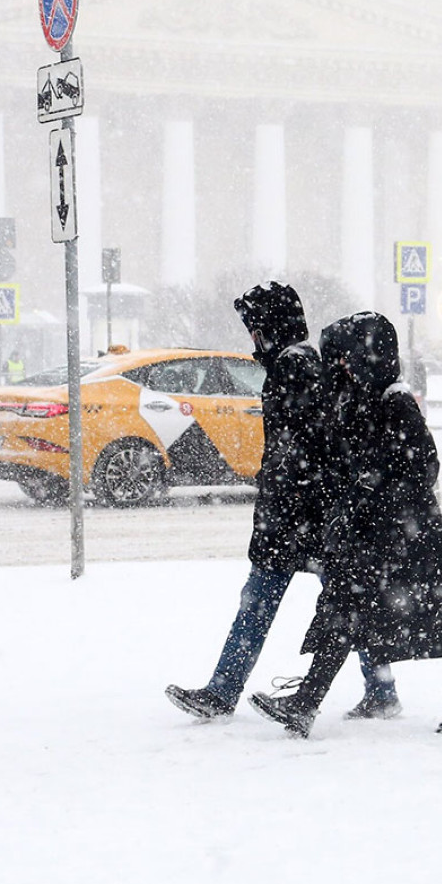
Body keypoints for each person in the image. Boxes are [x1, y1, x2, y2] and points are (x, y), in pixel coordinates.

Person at [250, 311, 442, 738]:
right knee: (343, 609)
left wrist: (377, 488)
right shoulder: (353, 398)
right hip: (370, 533)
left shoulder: (393, 399)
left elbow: (424, 465)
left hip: (410, 534)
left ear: (366, 356)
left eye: (343, 357)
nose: (336, 365)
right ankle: (307, 701)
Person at [166, 282, 399, 721]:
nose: (251, 338)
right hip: (305, 514)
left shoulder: (293, 367)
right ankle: (381, 690)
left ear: (270, 327)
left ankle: (222, 691)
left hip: (296, 517)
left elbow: (310, 445)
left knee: (265, 607)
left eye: (254, 327)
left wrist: (288, 495)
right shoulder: (299, 363)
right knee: (346, 606)